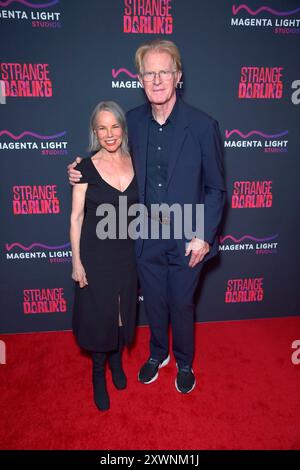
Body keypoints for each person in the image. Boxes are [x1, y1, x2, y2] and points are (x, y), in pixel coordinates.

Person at [69, 39, 226, 395]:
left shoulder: (202, 126)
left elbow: (216, 188)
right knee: (153, 300)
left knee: (182, 303)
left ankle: (184, 362)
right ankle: (158, 354)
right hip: (143, 234)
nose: (157, 80)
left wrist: (203, 235)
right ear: (140, 78)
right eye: (149, 73)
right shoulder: (132, 123)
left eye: (164, 72)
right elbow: (104, 156)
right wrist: (77, 170)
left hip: (188, 234)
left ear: (178, 76)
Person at [70, 101, 138, 411]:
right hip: (95, 254)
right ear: (94, 131)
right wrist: (76, 261)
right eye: (102, 127)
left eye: (114, 126)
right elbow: (76, 217)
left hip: (127, 251)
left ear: (122, 128)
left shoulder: (137, 160)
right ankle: (98, 373)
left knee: (122, 311)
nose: (109, 134)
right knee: (100, 315)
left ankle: (116, 362)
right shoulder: (83, 168)